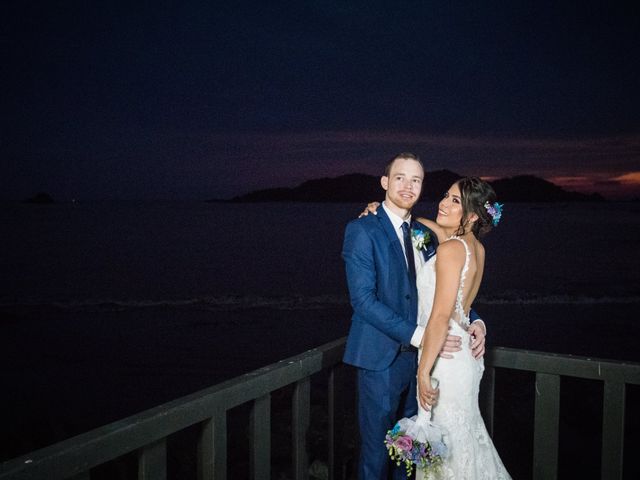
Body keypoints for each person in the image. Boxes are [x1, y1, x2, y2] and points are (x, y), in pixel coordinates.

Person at [342, 154, 487, 480]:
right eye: (400, 178)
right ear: (385, 182)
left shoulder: (424, 234)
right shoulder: (362, 229)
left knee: (408, 458)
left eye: (416, 180)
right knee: (375, 455)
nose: (408, 186)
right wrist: (422, 336)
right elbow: (363, 301)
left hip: (425, 365)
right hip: (381, 360)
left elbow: (447, 292)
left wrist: (475, 321)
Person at [415, 177, 510, 479]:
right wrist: (387, 211)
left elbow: (441, 316)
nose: (443, 203)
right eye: (445, 195)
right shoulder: (477, 248)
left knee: (447, 449)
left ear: (470, 216)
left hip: (445, 357)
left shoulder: (450, 249)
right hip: (466, 358)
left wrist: (422, 373)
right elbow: (432, 225)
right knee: (465, 437)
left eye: (455, 201)